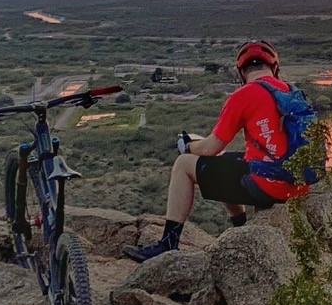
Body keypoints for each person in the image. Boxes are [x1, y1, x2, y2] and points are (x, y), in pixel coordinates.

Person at [124, 40, 310, 261]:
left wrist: (189, 146)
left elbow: (210, 148)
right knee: (226, 161)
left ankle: (168, 244)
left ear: (241, 72)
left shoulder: (243, 95)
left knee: (184, 164)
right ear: (275, 68)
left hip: (267, 185)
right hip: (296, 184)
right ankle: (241, 228)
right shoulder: (293, 92)